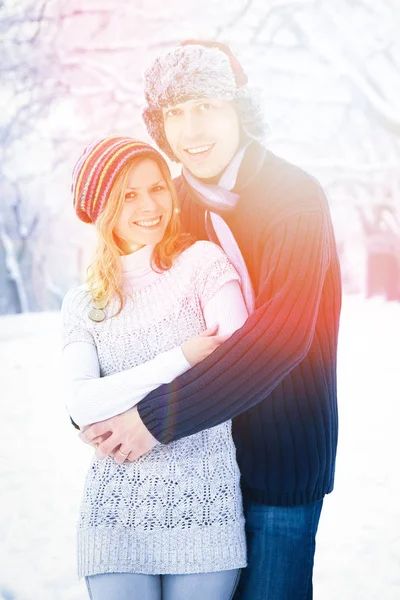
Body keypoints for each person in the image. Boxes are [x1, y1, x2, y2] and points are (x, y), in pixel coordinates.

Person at [79, 41, 342, 599]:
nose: (191, 128)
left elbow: (282, 336)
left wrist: (149, 419)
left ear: (238, 110)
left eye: (205, 105)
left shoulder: (293, 197)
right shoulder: (168, 204)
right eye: (174, 112)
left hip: (278, 459)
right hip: (194, 469)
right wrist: (94, 403)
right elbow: (131, 313)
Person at [62, 136, 249, 599]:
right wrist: (181, 358)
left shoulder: (202, 264)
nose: (150, 205)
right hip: (115, 512)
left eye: (157, 187)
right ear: (101, 208)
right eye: (128, 195)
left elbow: (240, 363)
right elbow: (81, 402)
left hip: (204, 503)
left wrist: (125, 400)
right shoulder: (84, 303)